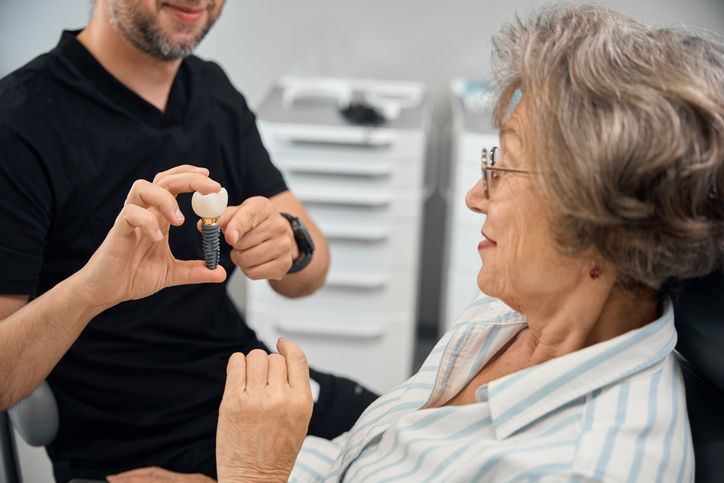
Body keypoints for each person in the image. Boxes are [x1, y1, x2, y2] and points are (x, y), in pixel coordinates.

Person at [210, 5, 724, 482]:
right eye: (488, 163)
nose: (476, 196)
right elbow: (374, 453)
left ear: (601, 229)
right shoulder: (513, 309)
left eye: (504, 168)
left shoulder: (578, 469)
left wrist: (254, 471)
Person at [0, 0, 377, 481]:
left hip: (250, 389)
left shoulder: (213, 92)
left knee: (411, 442)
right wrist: (94, 288)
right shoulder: (20, 122)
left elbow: (313, 270)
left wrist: (290, 243)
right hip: (136, 449)